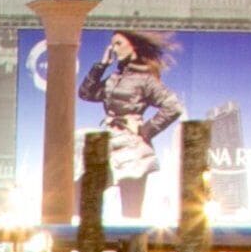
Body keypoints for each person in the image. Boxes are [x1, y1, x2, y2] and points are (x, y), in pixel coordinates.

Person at [78, 31, 184, 219]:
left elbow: (173, 106)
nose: (113, 48)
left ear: (133, 46)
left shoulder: (146, 79)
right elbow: (86, 93)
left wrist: (147, 130)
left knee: (131, 210)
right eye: (112, 44)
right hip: (109, 143)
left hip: (133, 149)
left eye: (118, 43)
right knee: (87, 196)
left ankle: (132, 247)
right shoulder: (113, 78)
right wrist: (101, 66)